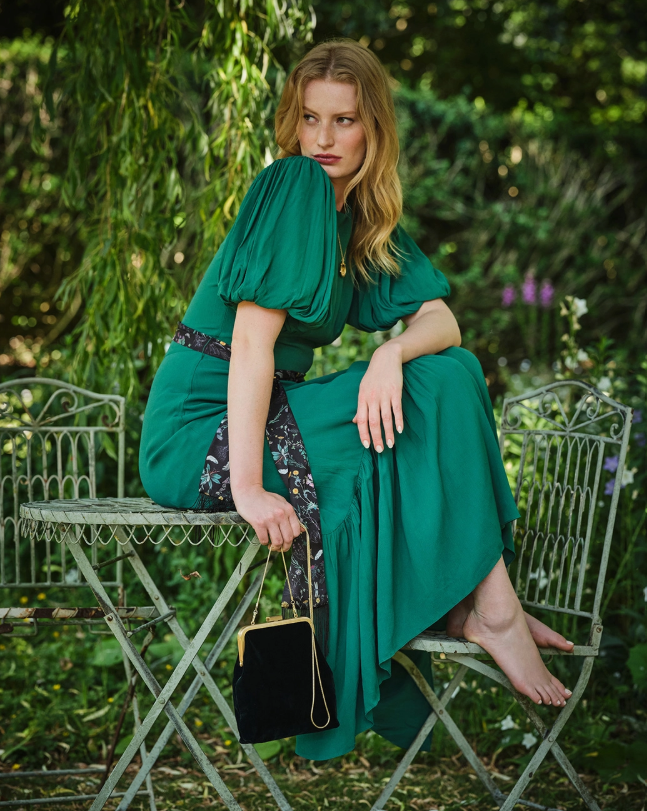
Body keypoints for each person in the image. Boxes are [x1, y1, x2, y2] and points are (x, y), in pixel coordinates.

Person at [139, 38, 574, 761]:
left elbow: (442, 321)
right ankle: (488, 606)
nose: (322, 138)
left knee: (449, 369)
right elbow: (250, 343)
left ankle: (480, 602)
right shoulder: (294, 186)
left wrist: (388, 353)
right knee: (442, 383)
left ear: (373, 128)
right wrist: (246, 488)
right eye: (310, 118)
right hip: (203, 433)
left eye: (343, 120)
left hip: (268, 413)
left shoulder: (355, 215)